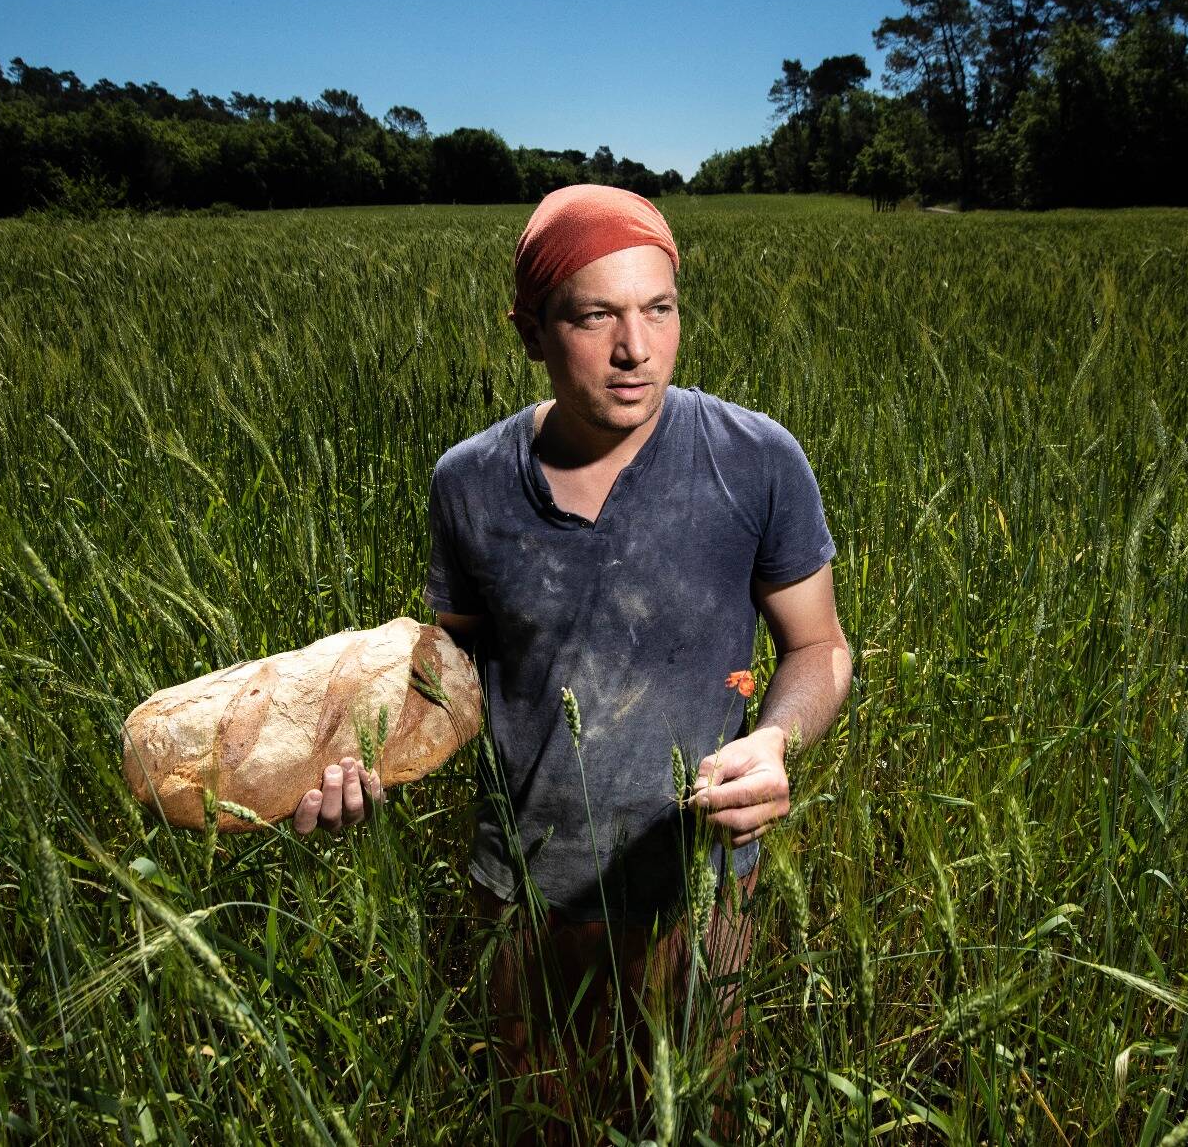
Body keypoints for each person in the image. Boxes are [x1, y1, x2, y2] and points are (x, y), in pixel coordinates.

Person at [291, 184, 853, 1137]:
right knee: (539, 1118)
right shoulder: (469, 482)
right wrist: (353, 757)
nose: (636, 348)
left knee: (694, 1116)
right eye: (596, 315)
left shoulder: (756, 459)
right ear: (531, 330)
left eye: (658, 309)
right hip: (523, 891)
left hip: (705, 882)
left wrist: (776, 742)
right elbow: (451, 670)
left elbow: (820, 647)